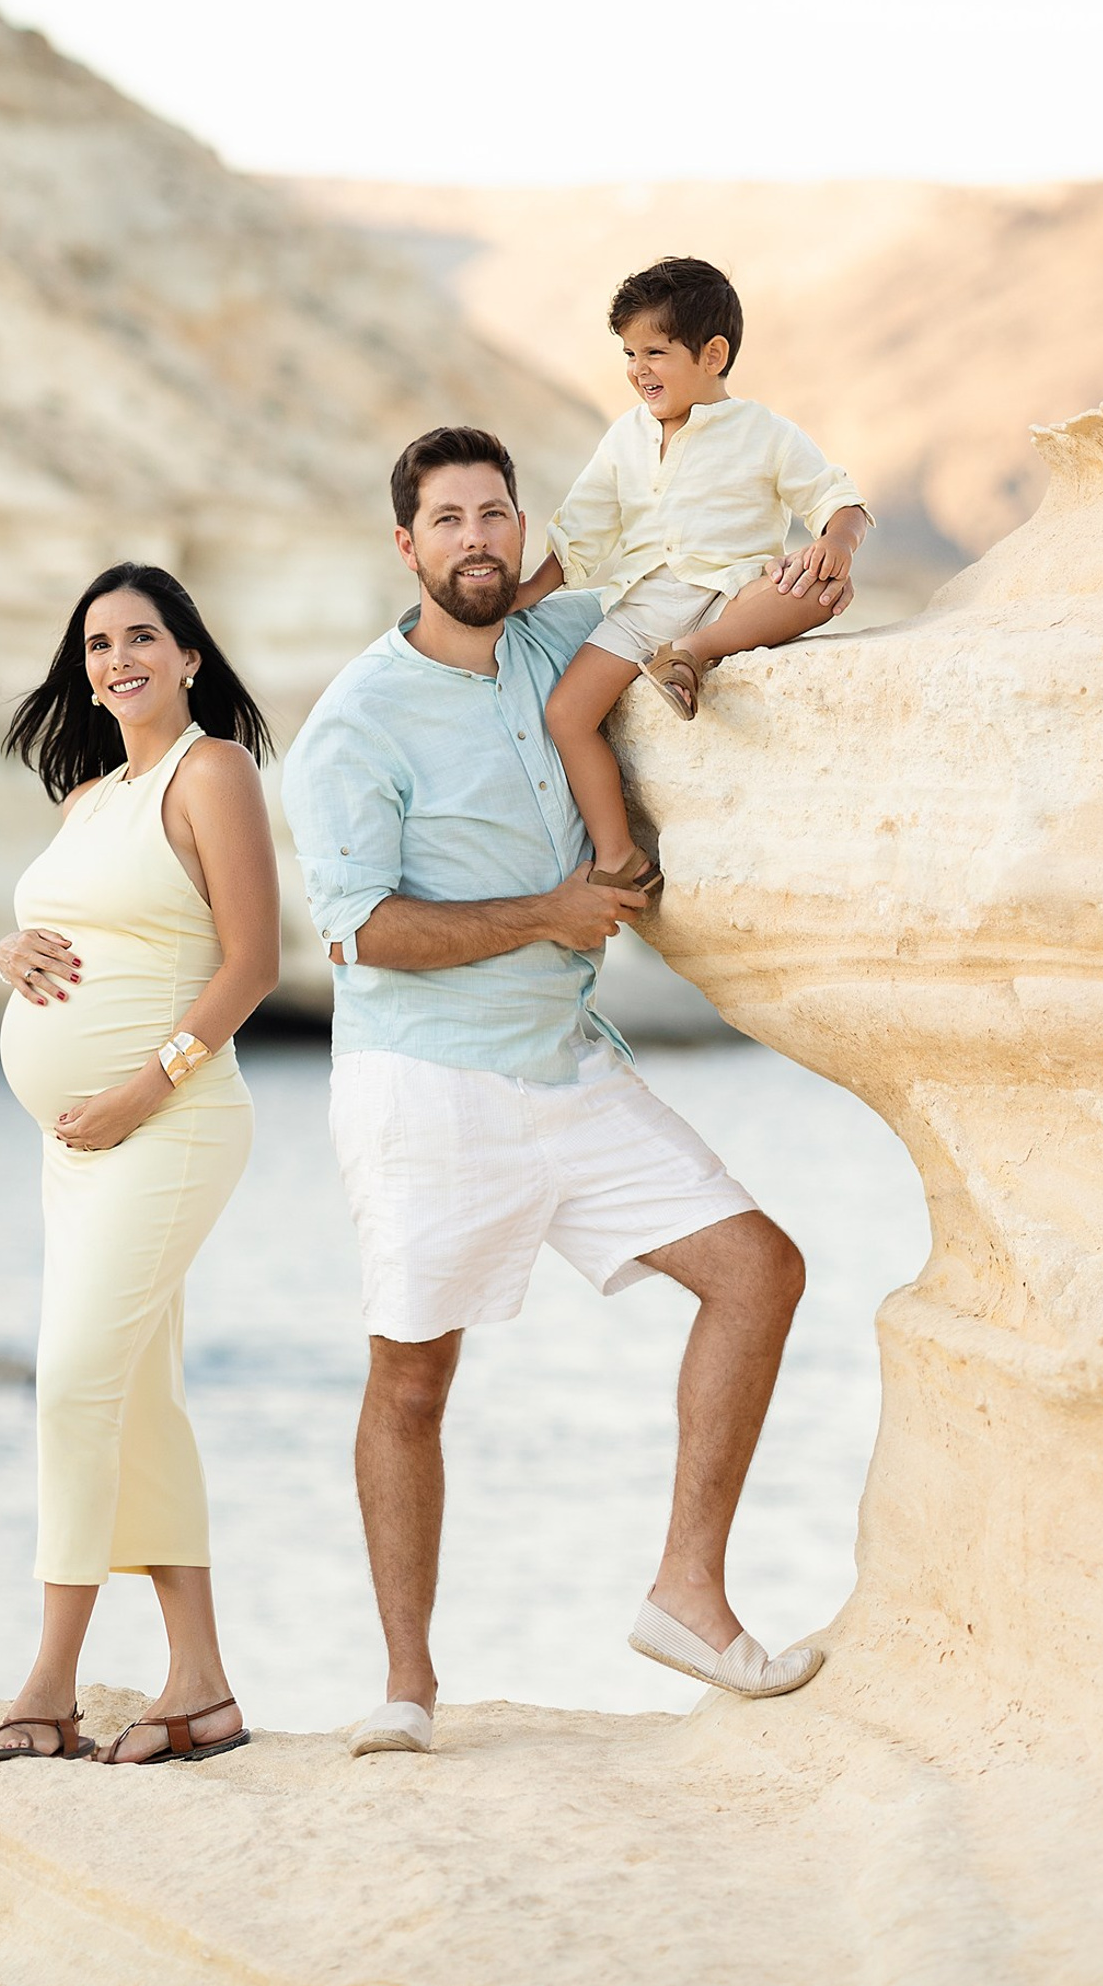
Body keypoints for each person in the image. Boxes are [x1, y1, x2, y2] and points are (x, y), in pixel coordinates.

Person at [281, 425, 823, 1757]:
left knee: (759, 1272)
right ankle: (406, 1686)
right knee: (413, 1380)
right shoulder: (354, 721)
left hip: (567, 1064)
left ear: (520, 530)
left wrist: (803, 577)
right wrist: (549, 911)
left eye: (494, 514)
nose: (476, 539)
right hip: (428, 1085)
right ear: (404, 545)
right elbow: (359, 931)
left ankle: (685, 1595)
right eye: (447, 519)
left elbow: (685, 603)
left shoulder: (561, 641)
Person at [0, 561, 281, 1770]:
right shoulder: (90, 797)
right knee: (138, 1400)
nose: (117, 659)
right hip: (81, 1146)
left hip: (173, 1123)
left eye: (141, 636)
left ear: (189, 654)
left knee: (72, 1386)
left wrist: (147, 1083)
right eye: (97, 645)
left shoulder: (213, 771)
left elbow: (253, 962)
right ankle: (200, 1688)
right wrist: (12, 950)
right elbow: (76, 930)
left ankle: (46, 1688)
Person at [518, 255, 870, 887]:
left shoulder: (765, 432)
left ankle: (690, 654)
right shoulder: (624, 437)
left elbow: (835, 497)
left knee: (826, 585)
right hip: (642, 606)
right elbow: (582, 529)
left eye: (655, 352)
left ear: (712, 355)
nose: (638, 369)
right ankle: (619, 855)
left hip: (734, 598)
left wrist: (838, 541)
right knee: (566, 715)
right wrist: (528, 593)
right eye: (629, 354)